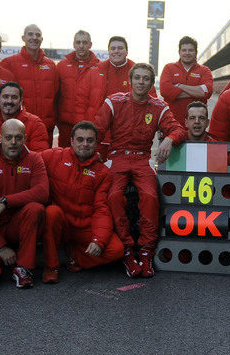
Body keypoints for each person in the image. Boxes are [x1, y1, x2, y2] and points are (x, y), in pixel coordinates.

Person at [93, 63, 186, 278]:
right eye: (138, 78)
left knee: (151, 196)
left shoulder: (158, 106)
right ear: (130, 80)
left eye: (146, 78)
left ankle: (145, 250)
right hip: (116, 157)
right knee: (114, 196)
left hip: (142, 158)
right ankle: (127, 249)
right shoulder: (115, 101)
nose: (141, 82)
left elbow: (177, 128)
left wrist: (170, 139)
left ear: (151, 82)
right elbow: (96, 129)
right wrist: (95, 154)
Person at [39, 121, 124, 284]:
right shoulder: (54, 156)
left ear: (96, 143)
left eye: (90, 140)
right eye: (80, 139)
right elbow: (28, 159)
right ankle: (51, 266)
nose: (85, 144)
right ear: (71, 141)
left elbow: (102, 209)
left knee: (116, 250)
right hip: (60, 224)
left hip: (84, 227)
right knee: (51, 213)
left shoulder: (103, 172)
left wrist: (98, 240)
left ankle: (74, 256)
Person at [0, 119, 49, 288]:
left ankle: (24, 267)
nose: (13, 142)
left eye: (18, 137)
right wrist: (1, 247)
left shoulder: (34, 159)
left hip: (17, 224)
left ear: (25, 138)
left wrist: (5, 202)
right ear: (0, 138)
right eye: (8, 137)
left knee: (35, 209)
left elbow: (42, 192)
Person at [0, 24, 60, 142]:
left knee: (44, 160)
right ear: (23, 38)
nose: (34, 37)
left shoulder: (51, 65)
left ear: (42, 40)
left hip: (46, 126)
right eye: (30, 34)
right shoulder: (9, 63)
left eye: (38, 35)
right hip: (18, 128)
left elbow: (56, 95)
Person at [55, 30, 103, 147]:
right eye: (78, 42)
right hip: (66, 125)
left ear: (90, 45)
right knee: (64, 158)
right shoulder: (61, 66)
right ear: (74, 44)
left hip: (89, 126)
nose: (81, 46)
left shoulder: (100, 67)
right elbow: (55, 93)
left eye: (85, 42)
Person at [159, 36, 213, 126]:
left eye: (190, 50)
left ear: (196, 52)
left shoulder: (205, 70)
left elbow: (207, 92)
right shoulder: (169, 68)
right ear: (179, 52)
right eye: (184, 50)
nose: (187, 53)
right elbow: (165, 91)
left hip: (197, 125)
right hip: (171, 122)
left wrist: (180, 86)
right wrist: (197, 93)